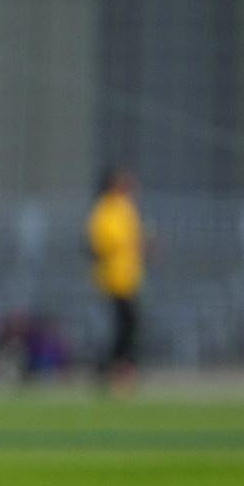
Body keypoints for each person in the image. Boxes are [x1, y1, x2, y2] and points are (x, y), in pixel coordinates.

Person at [87, 167, 143, 393]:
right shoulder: (105, 208)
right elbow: (103, 242)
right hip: (112, 279)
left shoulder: (125, 207)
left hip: (128, 277)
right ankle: (112, 371)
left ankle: (118, 369)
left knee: (128, 326)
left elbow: (133, 238)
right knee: (120, 327)